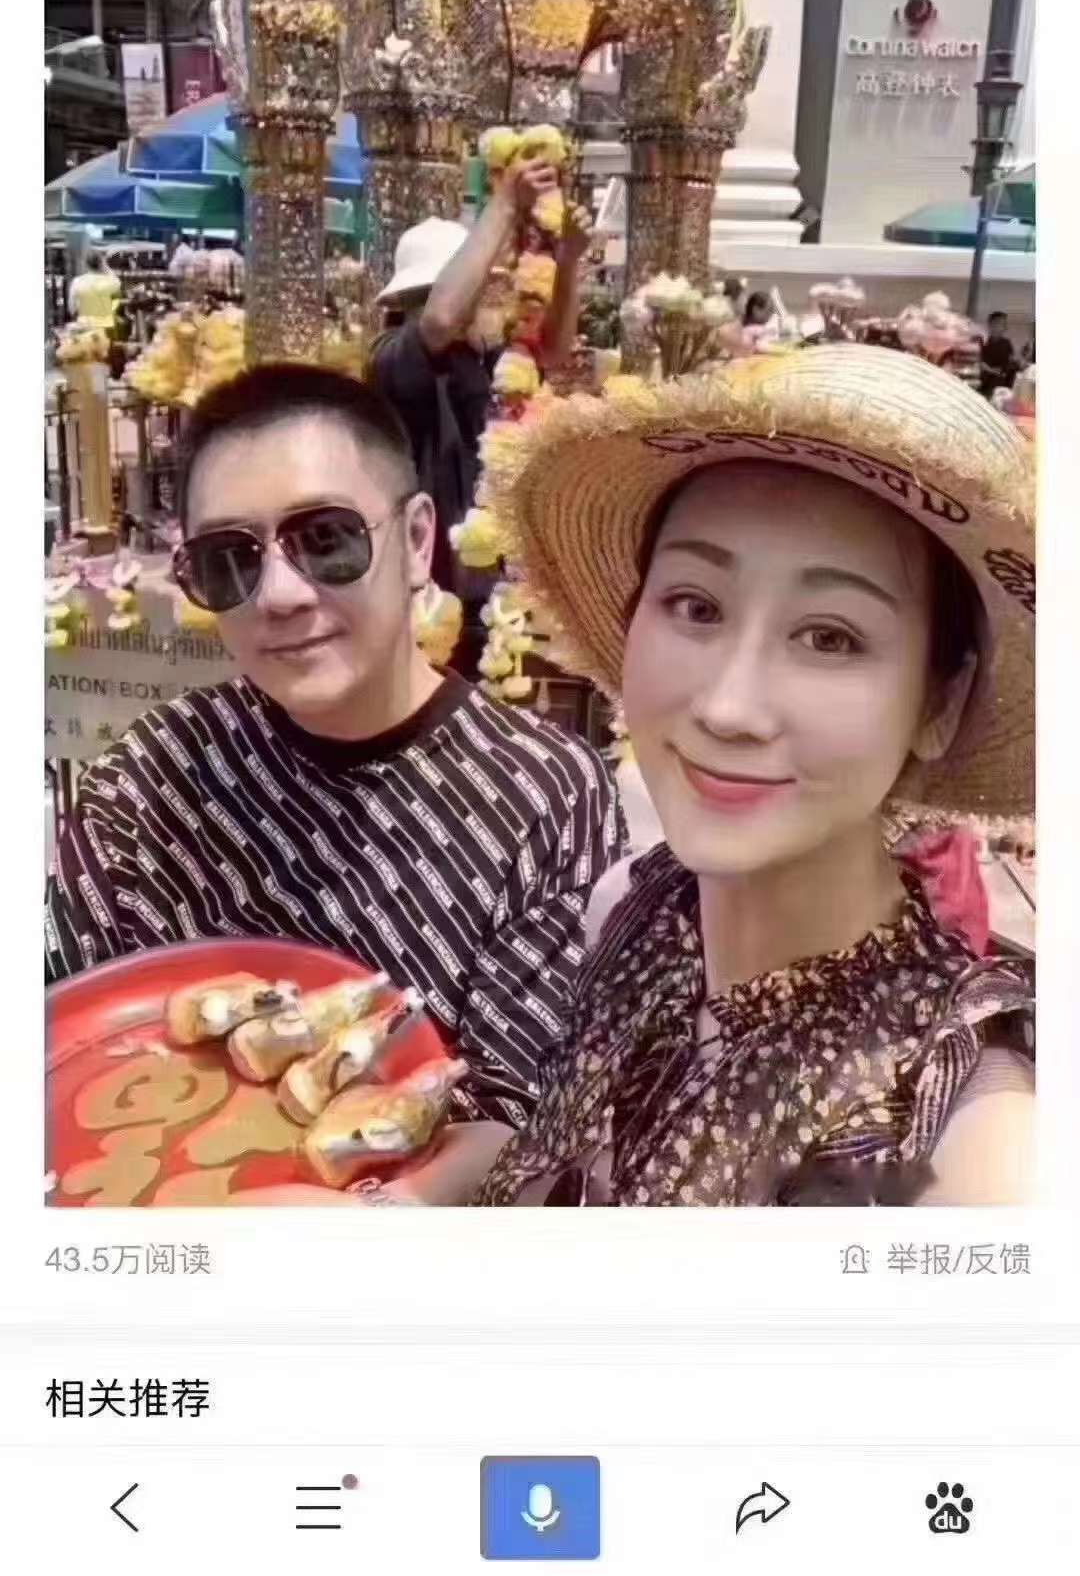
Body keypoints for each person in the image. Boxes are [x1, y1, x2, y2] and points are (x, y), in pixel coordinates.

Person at [45, 364, 627, 1201]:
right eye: (229, 560)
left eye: (325, 539)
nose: (280, 595)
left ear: (418, 541)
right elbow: (76, 1047)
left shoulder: (543, 794)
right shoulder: (149, 785)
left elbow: (529, 1118)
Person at [470, 344, 1034, 1206]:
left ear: (940, 701)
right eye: (696, 606)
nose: (729, 707)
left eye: (830, 637)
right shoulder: (636, 908)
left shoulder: (975, 1143)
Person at [369, 159, 590, 651]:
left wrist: (569, 261)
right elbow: (440, 320)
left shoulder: (482, 356)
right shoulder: (393, 359)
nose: (487, 297)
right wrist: (505, 203)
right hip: (424, 598)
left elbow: (552, 352)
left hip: (487, 591)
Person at [68, 248, 120, 324]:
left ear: (86, 264)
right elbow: (115, 303)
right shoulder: (111, 281)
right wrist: (104, 264)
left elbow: (72, 308)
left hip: (84, 324)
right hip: (105, 324)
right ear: (101, 264)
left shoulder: (77, 281)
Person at [979, 311, 1018, 402]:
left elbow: (1009, 362)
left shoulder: (1006, 343)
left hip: (1000, 384)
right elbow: (978, 361)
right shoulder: (982, 341)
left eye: (1004, 324)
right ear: (991, 324)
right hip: (982, 381)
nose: (1004, 327)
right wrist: (990, 370)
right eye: (1000, 323)